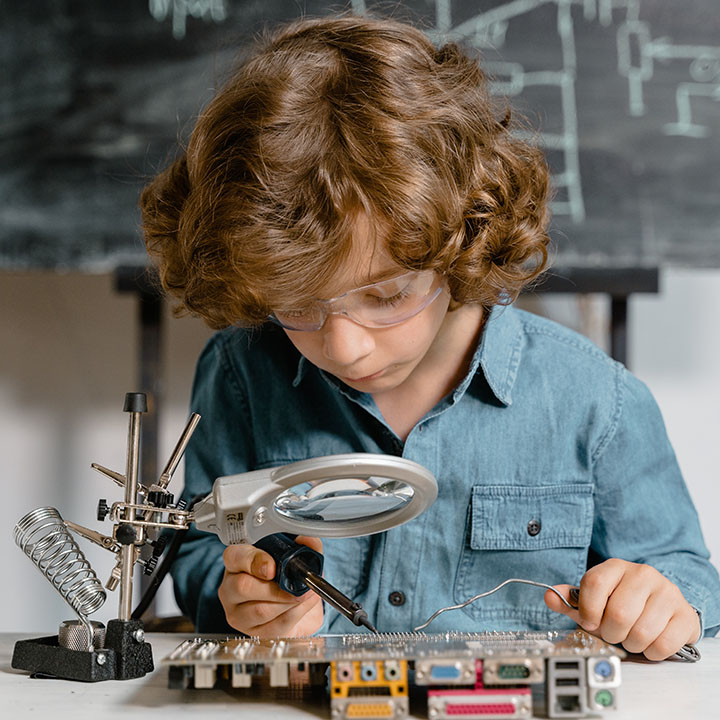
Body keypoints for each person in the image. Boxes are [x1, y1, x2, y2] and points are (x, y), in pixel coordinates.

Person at [140, 14, 720, 660]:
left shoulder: (595, 402)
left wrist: (663, 604)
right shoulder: (240, 376)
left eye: (386, 296)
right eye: (298, 305)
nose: (346, 346)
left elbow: (689, 579)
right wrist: (236, 593)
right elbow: (192, 552)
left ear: (462, 241)